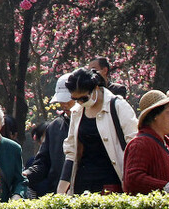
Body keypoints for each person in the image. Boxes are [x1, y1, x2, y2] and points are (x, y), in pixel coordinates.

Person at [57, 66, 137, 194]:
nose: (80, 102)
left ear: (96, 88)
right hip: (83, 181)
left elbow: (134, 144)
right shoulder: (77, 112)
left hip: (112, 180)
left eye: (84, 98)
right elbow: (71, 151)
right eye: (75, 99)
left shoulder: (118, 106)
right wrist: (61, 190)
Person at [122, 89, 169, 194]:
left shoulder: (166, 143)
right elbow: (134, 179)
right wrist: (168, 188)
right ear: (155, 115)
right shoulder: (140, 144)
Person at [24, 73, 74, 196]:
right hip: (59, 194)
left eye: (68, 99)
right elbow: (43, 163)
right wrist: (26, 175)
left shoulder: (91, 123)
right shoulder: (55, 127)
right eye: (61, 100)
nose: (64, 104)